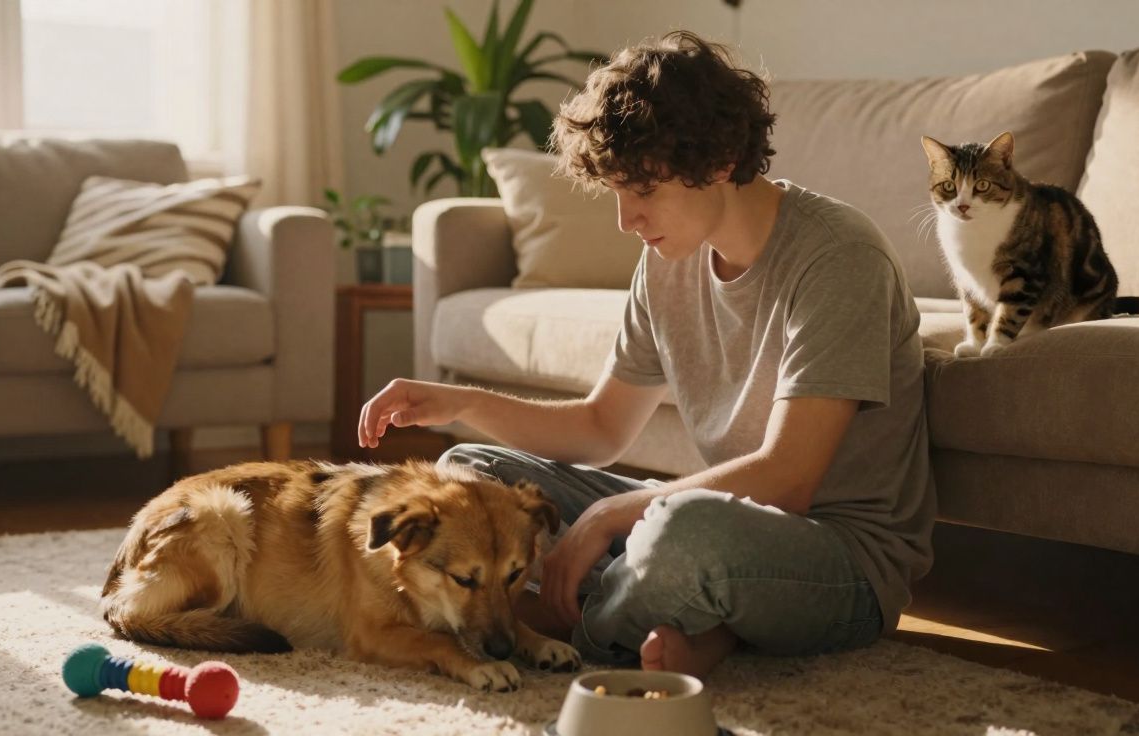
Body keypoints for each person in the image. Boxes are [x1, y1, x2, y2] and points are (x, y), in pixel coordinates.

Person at [357, 30, 935, 680]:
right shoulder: (667, 261)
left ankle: (544, 626)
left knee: (682, 536)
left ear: (718, 161)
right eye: (616, 194)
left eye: (643, 191)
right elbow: (602, 428)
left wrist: (613, 514)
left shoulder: (838, 257)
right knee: (471, 473)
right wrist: (458, 402)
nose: (626, 220)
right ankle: (691, 626)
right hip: (713, 522)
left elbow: (788, 479)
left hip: (841, 559)